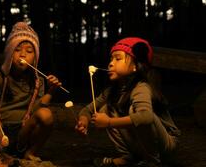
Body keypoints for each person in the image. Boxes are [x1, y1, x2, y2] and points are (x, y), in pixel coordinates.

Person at [75, 37, 181, 167]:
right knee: (106, 109)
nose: (111, 63)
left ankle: (152, 161)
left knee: (135, 112)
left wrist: (108, 122)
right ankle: (128, 157)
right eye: (111, 59)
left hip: (166, 145)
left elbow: (146, 117)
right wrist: (83, 120)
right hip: (141, 144)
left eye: (118, 58)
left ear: (136, 66)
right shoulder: (112, 91)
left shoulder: (141, 87)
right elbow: (87, 110)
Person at [0, 21, 62, 162]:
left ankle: (30, 153)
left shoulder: (38, 81)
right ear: (9, 54)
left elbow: (38, 109)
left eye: (29, 51)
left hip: (22, 133)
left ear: (35, 58)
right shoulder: (0, 76)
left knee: (46, 114)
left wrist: (51, 91)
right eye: (17, 49)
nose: (23, 55)